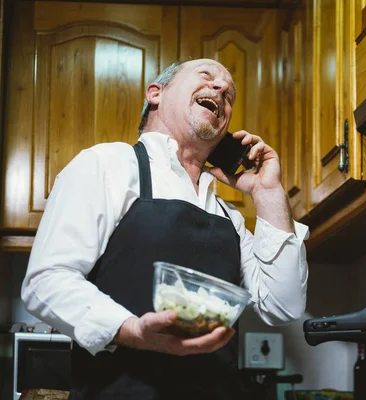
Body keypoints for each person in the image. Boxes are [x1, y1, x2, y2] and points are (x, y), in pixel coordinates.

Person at [21, 58, 310, 399]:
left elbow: (283, 306)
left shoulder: (229, 216)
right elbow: (46, 280)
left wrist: (268, 193)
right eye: (206, 76)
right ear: (156, 93)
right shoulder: (107, 164)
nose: (221, 89)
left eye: (229, 94)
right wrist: (129, 330)